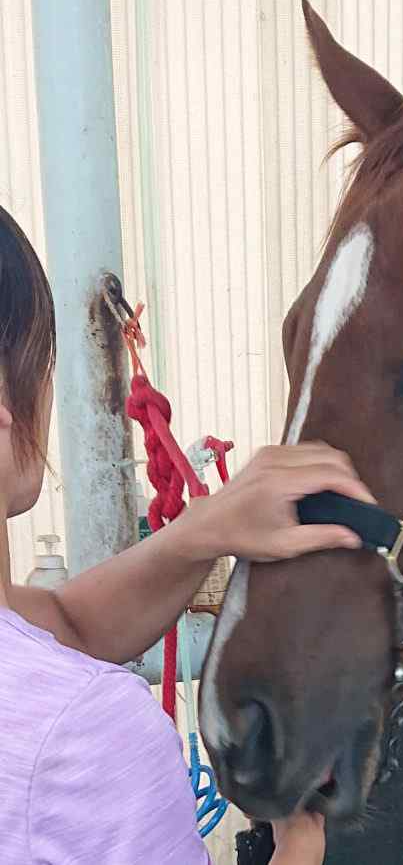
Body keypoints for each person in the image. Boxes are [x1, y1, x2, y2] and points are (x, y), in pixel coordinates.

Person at [0, 204, 368, 864]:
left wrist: (206, 527)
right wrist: (302, 837)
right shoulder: (82, 732)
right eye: (45, 359)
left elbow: (57, 623)